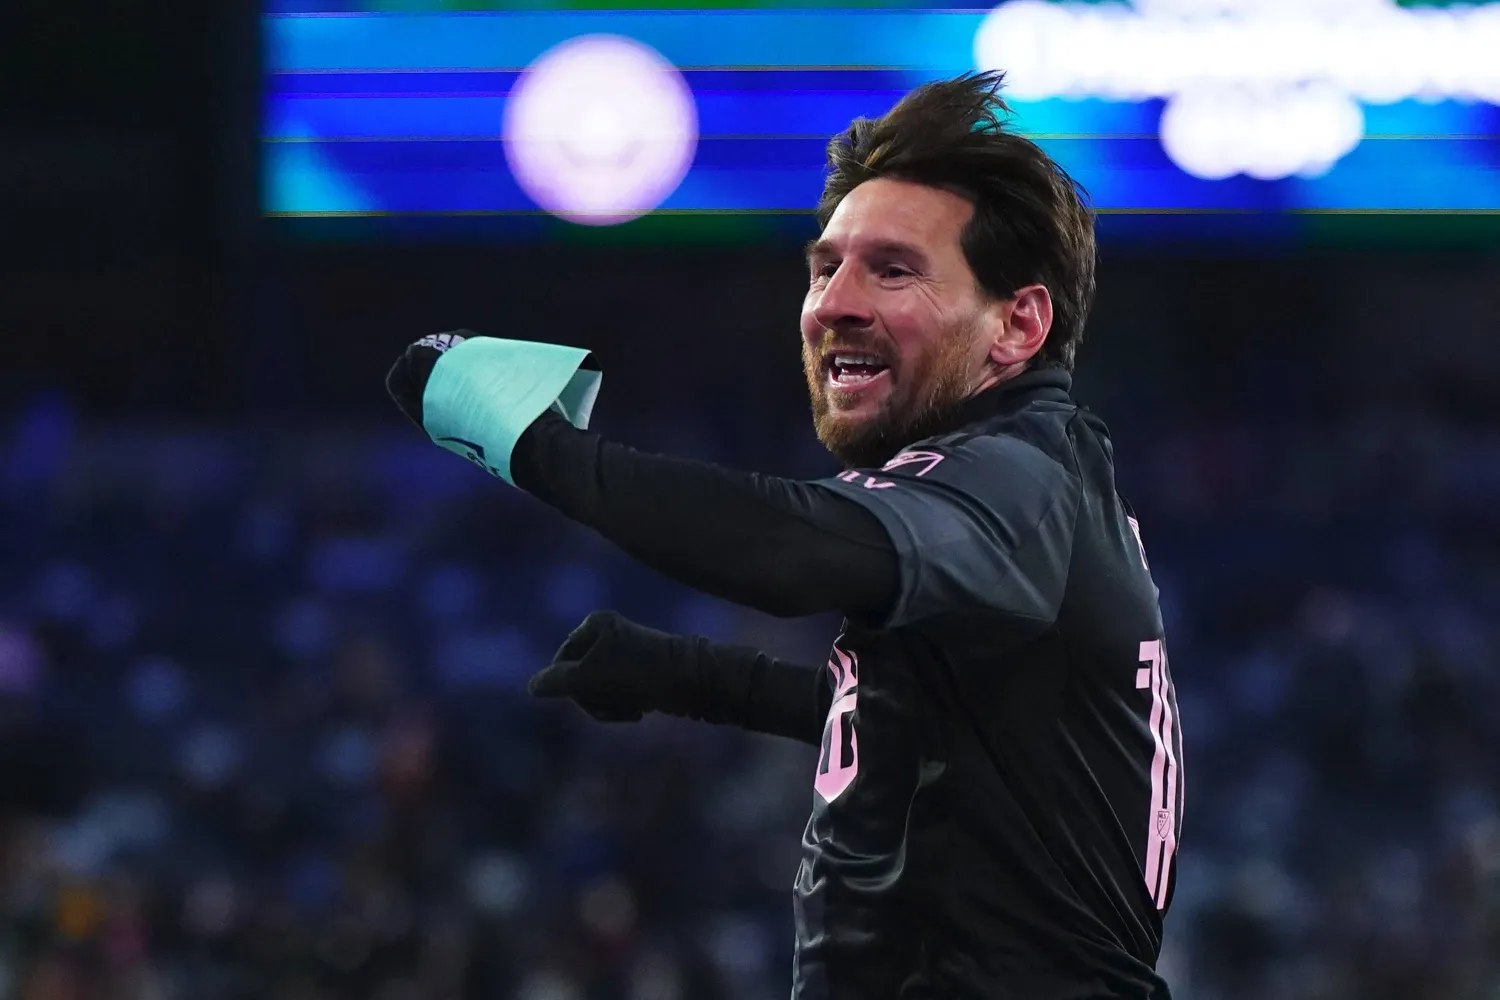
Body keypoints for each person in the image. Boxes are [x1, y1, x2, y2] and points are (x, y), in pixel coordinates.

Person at [386, 71, 1182, 999]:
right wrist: (699, 677)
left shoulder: (1013, 478)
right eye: (825, 265)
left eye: (893, 269)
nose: (832, 302)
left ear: (1018, 325)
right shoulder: (1047, 481)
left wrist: (533, 441)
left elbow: (788, 553)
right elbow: (947, 734)